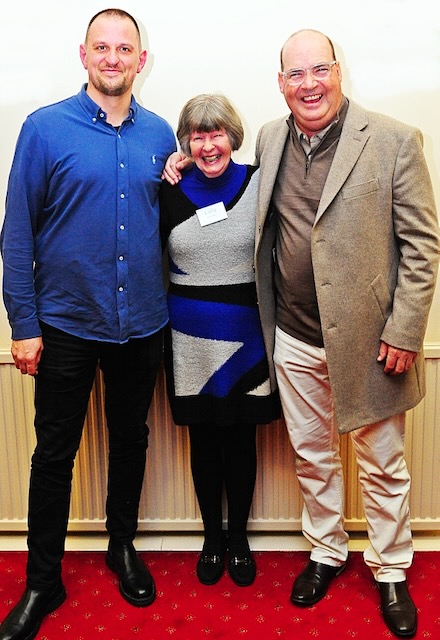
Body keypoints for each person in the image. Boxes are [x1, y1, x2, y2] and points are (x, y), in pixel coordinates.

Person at [163, 29, 439, 639]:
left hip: (370, 340)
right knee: (313, 457)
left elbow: (422, 247)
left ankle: (392, 567)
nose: (309, 84)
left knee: (383, 464)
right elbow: (224, 179)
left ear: (339, 72)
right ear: (281, 83)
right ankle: (326, 551)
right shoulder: (269, 139)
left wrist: (405, 330)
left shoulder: (393, 140)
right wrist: (179, 160)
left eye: (319, 70)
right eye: (296, 74)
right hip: (289, 335)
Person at [0, 8, 176, 640]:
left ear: (140, 61)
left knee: (131, 440)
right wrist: (24, 323)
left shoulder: (160, 135)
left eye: (124, 49)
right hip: (65, 323)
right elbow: (17, 232)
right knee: (54, 454)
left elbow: (174, 222)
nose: (112, 58)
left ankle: (120, 546)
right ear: (84, 55)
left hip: (142, 323)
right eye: (101, 47)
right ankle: (42, 580)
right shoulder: (44, 129)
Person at [159, 94, 279, 588]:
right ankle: (212, 538)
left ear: (233, 136)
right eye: (198, 136)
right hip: (189, 341)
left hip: (247, 337)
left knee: (241, 440)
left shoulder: (260, 183)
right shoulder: (166, 190)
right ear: (186, 143)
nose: (209, 146)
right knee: (204, 441)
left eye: (217, 134)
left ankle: (239, 539)